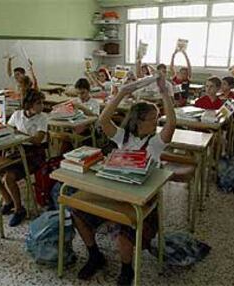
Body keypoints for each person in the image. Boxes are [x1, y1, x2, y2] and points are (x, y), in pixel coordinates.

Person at [71, 72, 176, 285]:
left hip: (141, 201)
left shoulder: (155, 142)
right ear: (138, 121)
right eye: (153, 119)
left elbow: (171, 124)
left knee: (122, 233)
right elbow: (103, 119)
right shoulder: (124, 137)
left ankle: (127, 270)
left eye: (157, 119)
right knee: (77, 213)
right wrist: (121, 93)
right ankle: (95, 256)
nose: (157, 122)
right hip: (115, 193)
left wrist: (165, 93)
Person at [0, 89, 48, 227]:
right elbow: (7, 129)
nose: (42, 106)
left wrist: (19, 134)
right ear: (29, 104)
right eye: (38, 103)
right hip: (16, 150)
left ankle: (19, 209)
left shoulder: (42, 117)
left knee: (8, 177)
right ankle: (8, 200)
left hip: (34, 154)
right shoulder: (17, 114)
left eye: (42, 102)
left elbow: (37, 140)